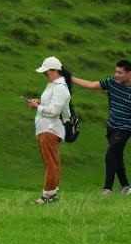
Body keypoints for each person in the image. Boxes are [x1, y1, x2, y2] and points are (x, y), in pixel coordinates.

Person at [71, 60, 131, 195]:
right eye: (116, 72)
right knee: (117, 155)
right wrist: (70, 78)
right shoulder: (112, 82)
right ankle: (125, 186)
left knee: (111, 153)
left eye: (120, 73)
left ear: (129, 74)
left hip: (126, 127)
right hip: (111, 125)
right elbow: (91, 85)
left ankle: (107, 188)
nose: (116, 75)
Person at [27, 56, 72, 205]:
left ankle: (48, 194)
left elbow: (54, 111)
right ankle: (51, 195)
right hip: (45, 127)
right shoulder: (54, 85)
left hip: (50, 128)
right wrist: (40, 103)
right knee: (50, 161)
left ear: (55, 71)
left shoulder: (60, 87)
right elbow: (51, 104)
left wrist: (37, 107)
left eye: (47, 73)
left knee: (50, 162)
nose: (45, 76)